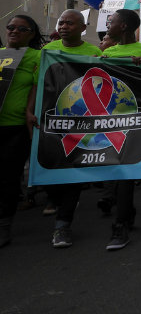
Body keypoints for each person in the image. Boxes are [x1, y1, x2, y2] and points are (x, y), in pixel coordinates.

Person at [41, 10, 103, 248]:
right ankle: (58, 201)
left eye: (69, 23)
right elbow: (37, 83)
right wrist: (30, 110)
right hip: (49, 121)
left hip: (79, 122)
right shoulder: (48, 51)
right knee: (48, 171)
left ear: (82, 28)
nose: (64, 26)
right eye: (61, 22)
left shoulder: (94, 53)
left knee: (72, 173)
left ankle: (62, 225)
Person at [100, 9, 141, 249]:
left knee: (126, 171)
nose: (107, 26)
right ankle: (124, 216)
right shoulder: (108, 52)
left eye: (110, 22)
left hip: (140, 116)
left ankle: (122, 222)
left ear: (122, 26)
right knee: (119, 170)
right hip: (113, 118)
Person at [0, 15, 44, 248]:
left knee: (8, 177)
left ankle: (4, 225)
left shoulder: (37, 56)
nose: (14, 31)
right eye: (10, 27)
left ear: (32, 34)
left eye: (21, 28)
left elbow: (37, 85)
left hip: (16, 127)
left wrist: (29, 110)